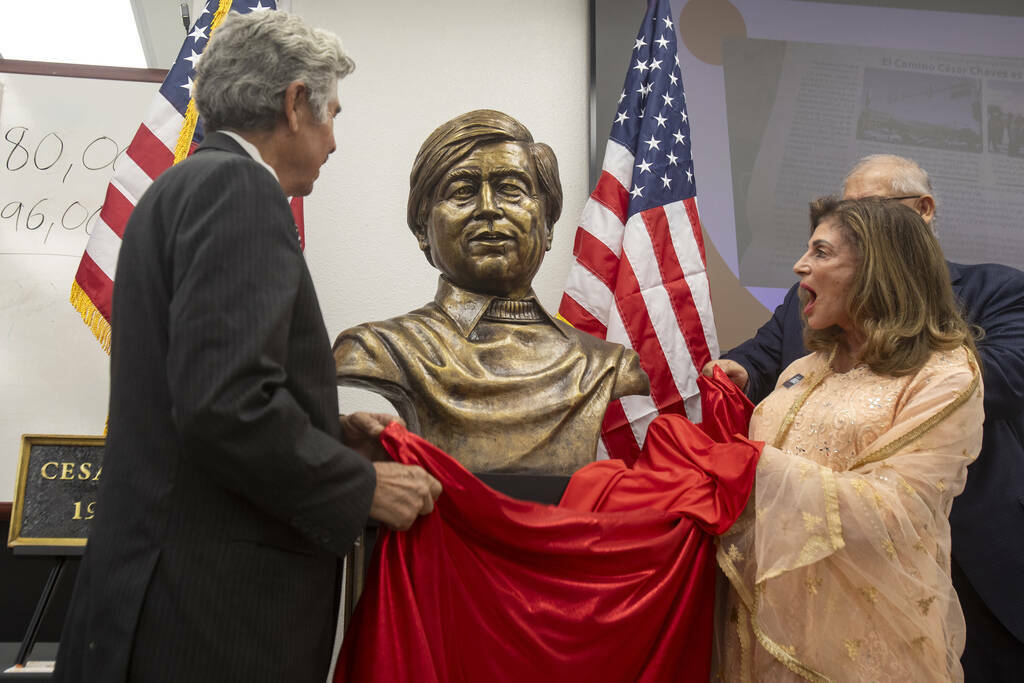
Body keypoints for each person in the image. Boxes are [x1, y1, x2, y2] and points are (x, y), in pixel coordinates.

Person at [54, 12, 440, 683]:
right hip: (208, 623)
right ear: (295, 103)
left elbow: (201, 391)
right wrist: (362, 485)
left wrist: (331, 432)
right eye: (331, 116)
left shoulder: (176, 190)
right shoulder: (239, 191)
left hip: (156, 602)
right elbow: (226, 403)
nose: (334, 142)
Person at [706, 154, 1024, 681]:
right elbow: (765, 357)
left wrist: (896, 351)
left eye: (866, 211)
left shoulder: (994, 297)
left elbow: (1007, 378)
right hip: (797, 581)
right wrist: (735, 371)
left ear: (919, 212)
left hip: (958, 554)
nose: (805, 262)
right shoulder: (812, 332)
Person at [334, 109, 649, 475]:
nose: (488, 208)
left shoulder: (604, 364)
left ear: (548, 226)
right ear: (422, 228)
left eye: (511, 189)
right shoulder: (376, 349)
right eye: (462, 191)